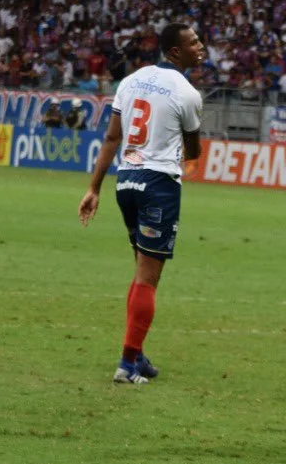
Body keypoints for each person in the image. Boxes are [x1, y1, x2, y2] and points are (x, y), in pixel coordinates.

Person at [78, 22, 205, 384]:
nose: (201, 47)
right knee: (149, 278)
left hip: (126, 181)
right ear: (175, 51)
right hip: (158, 186)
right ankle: (127, 364)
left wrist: (94, 188)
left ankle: (138, 351)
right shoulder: (188, 93)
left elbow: (112, 137)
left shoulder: (131, 81)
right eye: (194, 42)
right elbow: (193, 152)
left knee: (140, 272)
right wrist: (188, 143)